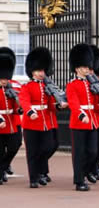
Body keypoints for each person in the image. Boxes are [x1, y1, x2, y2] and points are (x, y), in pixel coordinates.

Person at [19, 47, 61, 188]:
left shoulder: (47, 86)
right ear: (32, 72)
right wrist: (30, 112)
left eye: (42, 70)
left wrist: (59, 106)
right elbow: (24, 101)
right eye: (38, 71)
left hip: (45, 122)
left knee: (48, 147)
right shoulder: (27, 87)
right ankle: (34, 179)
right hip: (31, 123)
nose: (41, 73)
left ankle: (41, 172)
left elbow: (50, 105)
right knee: (32, 152)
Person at [66, 44, 99, 191]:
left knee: (93, 151)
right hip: (79, 123)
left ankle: (85, 172)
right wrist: (81, 114)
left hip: (92, 121)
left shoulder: (91, 84)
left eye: (88, 66)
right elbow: (73, 102)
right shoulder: (72, 85)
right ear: (77, 68)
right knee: (79, 153)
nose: (87, 69)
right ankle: (79, 180)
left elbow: (96, 102)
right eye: (84, 67)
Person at [0, 48, 21, 185]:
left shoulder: (15, 86)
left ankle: (3, 166)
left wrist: (19, 108)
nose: (4, 81)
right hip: (0, 123)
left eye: (6, 78)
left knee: (15, 146)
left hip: (13, 122)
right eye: (2, 78)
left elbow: (20, 102)